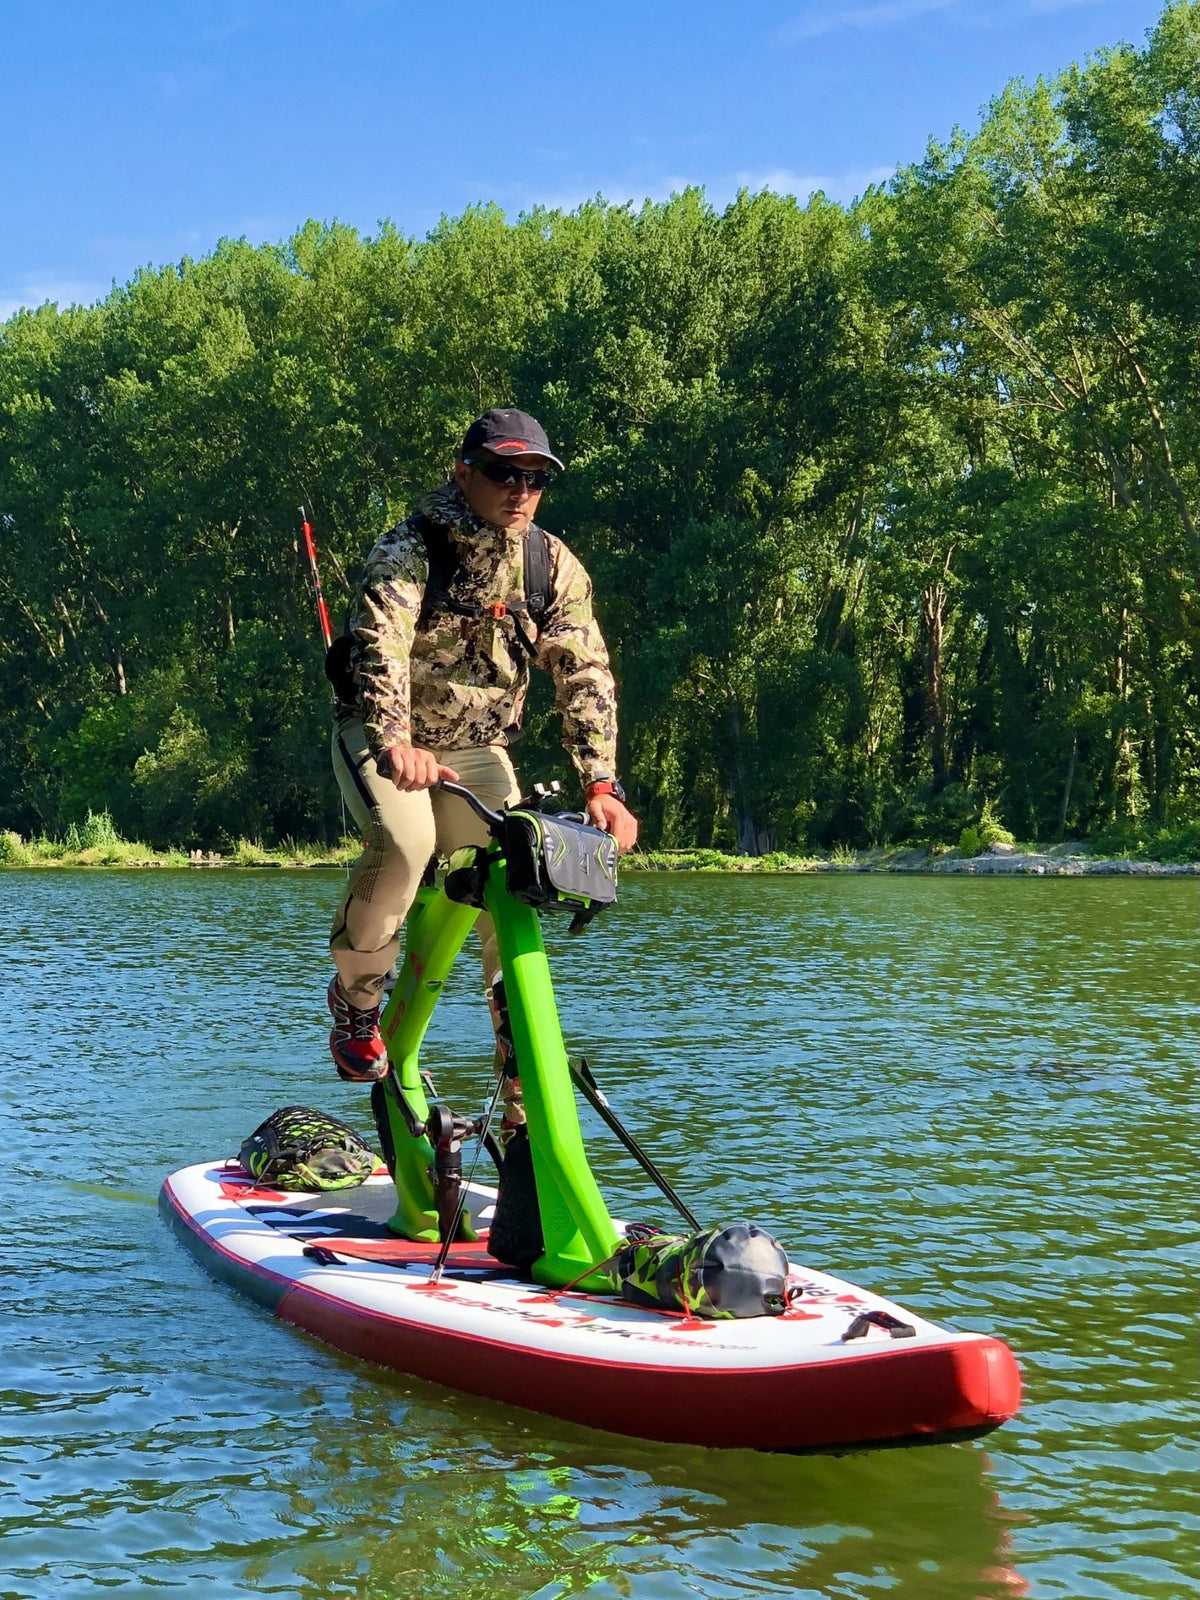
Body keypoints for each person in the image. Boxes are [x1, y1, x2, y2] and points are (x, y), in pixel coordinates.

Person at [326, 407, 638, 1131]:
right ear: (463, 472)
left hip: (478, 747)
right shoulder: (410, 547)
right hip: (383, 734)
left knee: (523, 865)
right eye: (503, 472)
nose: (519, 490)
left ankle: (520, 1061)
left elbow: (584, 670)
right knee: (406, 845)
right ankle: (358, 997)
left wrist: (601, 782)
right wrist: (396, 737)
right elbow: (381, 644)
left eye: (535, 479)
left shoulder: (550, 564)